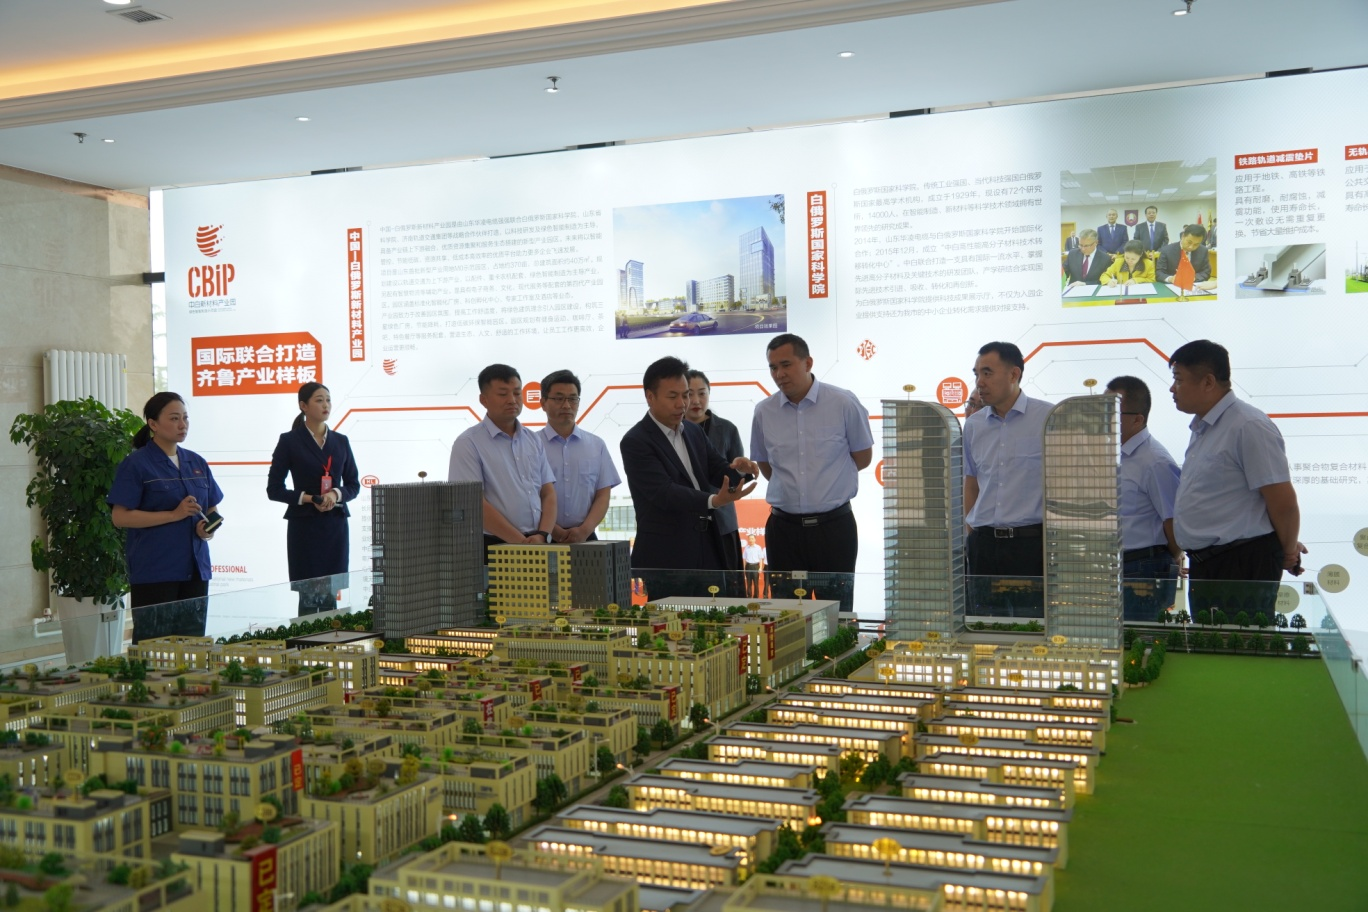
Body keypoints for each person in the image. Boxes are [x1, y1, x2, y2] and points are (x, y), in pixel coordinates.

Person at [1168, 340, 1306, 620]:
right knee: (1211, 643)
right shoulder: (1204, 427)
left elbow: (1283, 502)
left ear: (1208, 382)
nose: (1173, 389)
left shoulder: (1248, 425)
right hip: (1209, 564)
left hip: (1241, 564)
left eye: (1179, 380)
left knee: (1240, 643)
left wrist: (1288, 551)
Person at [751, 334, 873, 611]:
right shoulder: (764, 412)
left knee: (837, 613)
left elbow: (863, 458)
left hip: (834, 528)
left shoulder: (843, 402)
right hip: (784, 532)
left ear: (808, 363)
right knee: (788, 615)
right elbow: (766, 466)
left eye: (786, 365)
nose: (779, 374)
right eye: (773, 368)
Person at [620, 357, 759, 597]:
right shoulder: (636, 441)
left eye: (685, 395)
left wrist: (739, 470)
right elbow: (664, 492)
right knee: (672, 617)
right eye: (672, 396)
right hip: (668, 552)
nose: (682, 404)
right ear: (650, 397)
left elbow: (717, 468)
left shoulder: (693, 431)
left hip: (709, 543)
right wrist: (713, 501)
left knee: (716, 611)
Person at [108, 392, 222, 642]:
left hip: (196, 569)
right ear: (153, 424)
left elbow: (211, 508)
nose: (182, 425)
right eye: (174, 418)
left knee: (192, 645)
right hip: (156, 570)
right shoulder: (136, 464)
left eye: (185, 418)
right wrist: (173, 514)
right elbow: (120, 517)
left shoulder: (197, 462)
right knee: (154, 647)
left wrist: (208, 529)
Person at [963, 342, 1054, 617]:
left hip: (1031, 545)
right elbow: (972, 481)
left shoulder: (1048, 419)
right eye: (977, 374)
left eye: (987, 373)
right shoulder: (974, 425)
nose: (979, 382)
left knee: (1034, 626)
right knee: (983, 627)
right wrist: (971, 530)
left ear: (1014, 374)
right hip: (984, 545)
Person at [266, 383, 361, 615]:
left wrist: (334, 494)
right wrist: (309, 498)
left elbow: (353, 485)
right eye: (319, 400)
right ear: (303, 406)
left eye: (328, 399)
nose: (326, 405)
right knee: (308, 598)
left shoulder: (341, 441)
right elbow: (274, 490)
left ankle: (331, 638)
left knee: (330, 598)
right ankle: (306, 638)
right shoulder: (289, 441)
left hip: (334, 525)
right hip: (304, 527)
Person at [448, 364, 556, 560]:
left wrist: (543, 535)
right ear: (484, 400)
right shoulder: (468, 443)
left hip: (538, 543)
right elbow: (473, 503)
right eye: (503, 394)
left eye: (517, 393)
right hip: (494, 547)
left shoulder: (533, 439)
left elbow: (547, 493)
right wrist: (521, 543)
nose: (512, 400)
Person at [1106, 376, 1182, 622]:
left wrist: (1169, 558)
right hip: (1115, 566)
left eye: (1110, 412)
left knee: (1138, 638)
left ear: (1137, 419)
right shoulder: (1115, 453)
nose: (1102, 419)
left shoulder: (1155, 462)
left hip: (1143, 568)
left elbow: (1174, 524)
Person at [539, 369, 621, 543]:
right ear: (543, 403)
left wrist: (584, 530)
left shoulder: (596, 445)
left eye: (572, 399)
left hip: (585, 536)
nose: (566, 405)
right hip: (542, 536)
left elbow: (603, 495)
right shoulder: (530, 445)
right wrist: (552, 529)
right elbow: (526, 496)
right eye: (559, 399)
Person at [686, 369, 745, 574]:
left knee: (727, 583)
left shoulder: (727, 429)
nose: (696, 400)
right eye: (689, 394)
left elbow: (737, 476)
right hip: (686, 522)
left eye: (702, 393)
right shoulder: (674, 430)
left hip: (722, 521)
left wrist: (742, 471)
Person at [742, 533, 767, 599]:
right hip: (748, 566)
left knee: (756, 582)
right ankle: (749, 595)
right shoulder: (746, 548)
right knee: (748, 582)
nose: (751, 540)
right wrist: (744, 568)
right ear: (748, 539)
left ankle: (756, 596)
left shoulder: (758, 547)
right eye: (750, 539)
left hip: (756, 566)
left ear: (755, 539)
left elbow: (760, 558)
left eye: (752, 538)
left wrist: (760, 567)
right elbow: (744, 558)